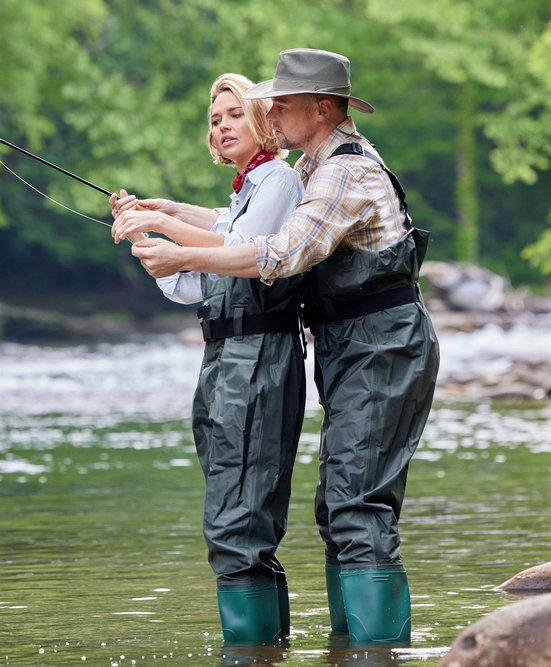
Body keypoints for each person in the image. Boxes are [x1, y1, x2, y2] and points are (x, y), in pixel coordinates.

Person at [128, 48, 441, 645]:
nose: (271, 109)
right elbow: (239, 221)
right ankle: (351, 652)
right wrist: (167, 212)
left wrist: (179, 253)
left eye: (284, 102)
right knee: (339, 506)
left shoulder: (343, 172)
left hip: (384, 346)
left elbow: (281, 252)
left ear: (321, 108)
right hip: (354, 346)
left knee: (357, 505)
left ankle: (377, 655)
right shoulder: (311, 165)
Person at [109, 73, 306, 645]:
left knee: (237, 517)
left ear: (264, 120)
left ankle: (251, 654)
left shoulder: (277, 182)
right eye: (214, 119)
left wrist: (164, 226)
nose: (221, 126)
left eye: (234, 115)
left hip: (256, 359)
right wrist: (160, 234)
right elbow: (202, 271)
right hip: (227, 359)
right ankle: (267, 651)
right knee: (236, 506)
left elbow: (246, 246)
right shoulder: (249, 189)